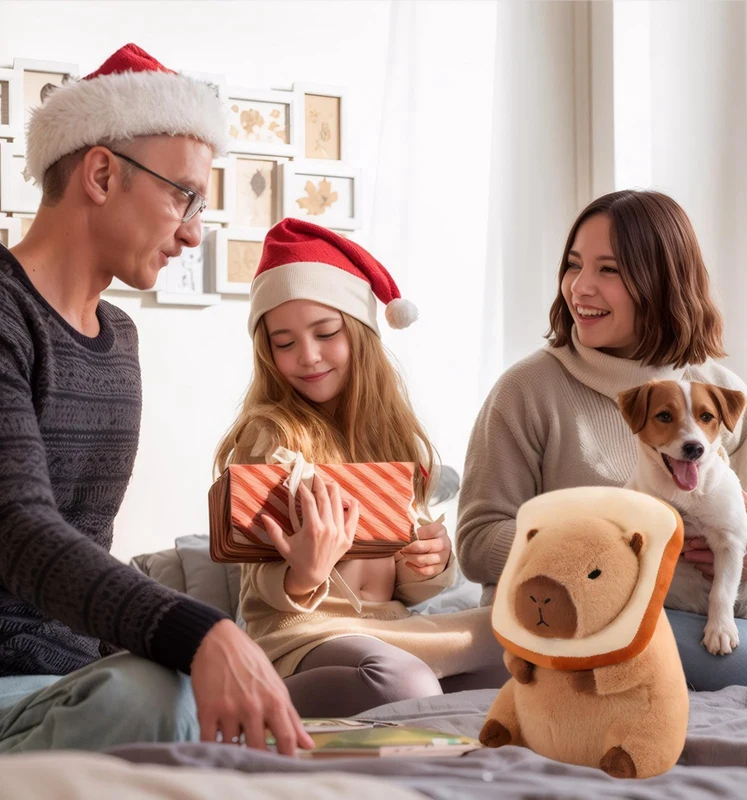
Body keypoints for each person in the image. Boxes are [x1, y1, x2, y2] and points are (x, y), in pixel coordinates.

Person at [0, 43, 311, 755]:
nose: (194, 231)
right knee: (157, 695)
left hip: (72, 682)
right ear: (102, 174)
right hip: (15, 685)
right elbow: (17, 530)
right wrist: (199, 634)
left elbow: (83, 550)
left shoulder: (119, 339)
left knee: (183, 701)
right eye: (185, 195)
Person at [456, 189, 747, 692]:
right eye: (573, 266)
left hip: (733, 608)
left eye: (608, 270)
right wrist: (606, 554)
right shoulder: (528, 390)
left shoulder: (716, 388)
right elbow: (477, 540)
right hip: (590, 614)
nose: (580, 288)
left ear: (663, 282)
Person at [216, 218, 502, 717]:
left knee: (521, 649)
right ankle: (252, 700)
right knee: (402, 681)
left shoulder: (391, 438)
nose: (307, 356)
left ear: (361, 334)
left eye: (326, 333)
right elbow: (260, 584)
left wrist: (428, 562)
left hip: (387, 626)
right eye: (284, 343)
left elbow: (408, 589)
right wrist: (304, 573)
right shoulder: (269, 436)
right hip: (301, 636)